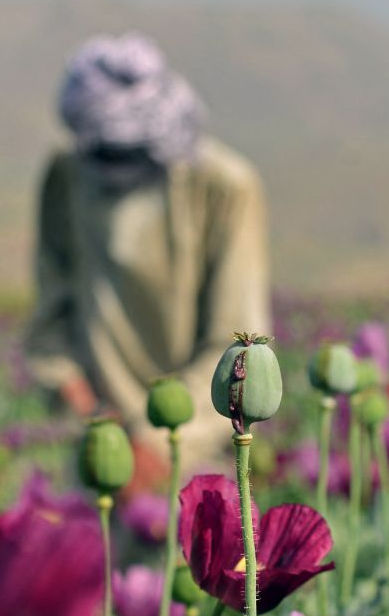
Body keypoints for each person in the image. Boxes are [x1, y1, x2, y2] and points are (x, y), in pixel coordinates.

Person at [25, 33, 271, 471]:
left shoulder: (224, 187)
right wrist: (79, 399)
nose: (114, 170)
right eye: (102, 155)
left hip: (195, 443)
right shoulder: (66, 176)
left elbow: (236, 339)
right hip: (97, 441)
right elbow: (51, 309)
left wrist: (161, 444)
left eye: (129, 156)